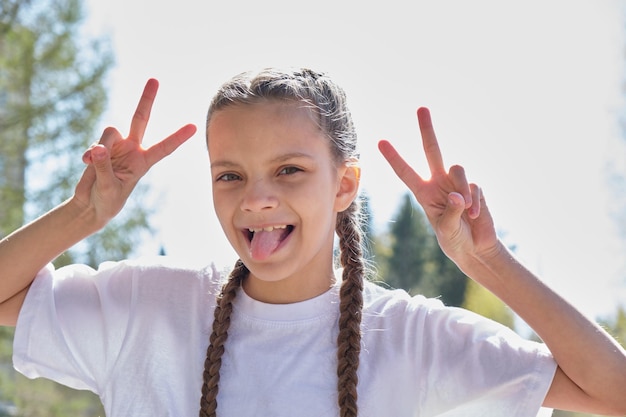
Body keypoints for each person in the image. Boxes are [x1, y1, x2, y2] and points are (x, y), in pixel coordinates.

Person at [0, 68, 625, 417]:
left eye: (289, 170)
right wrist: (83, 212)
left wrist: (485, 260)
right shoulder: (149, 308)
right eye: (230, 175)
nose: (257, 199)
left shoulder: (414, 338)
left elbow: (613, 393)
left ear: (345, 184)